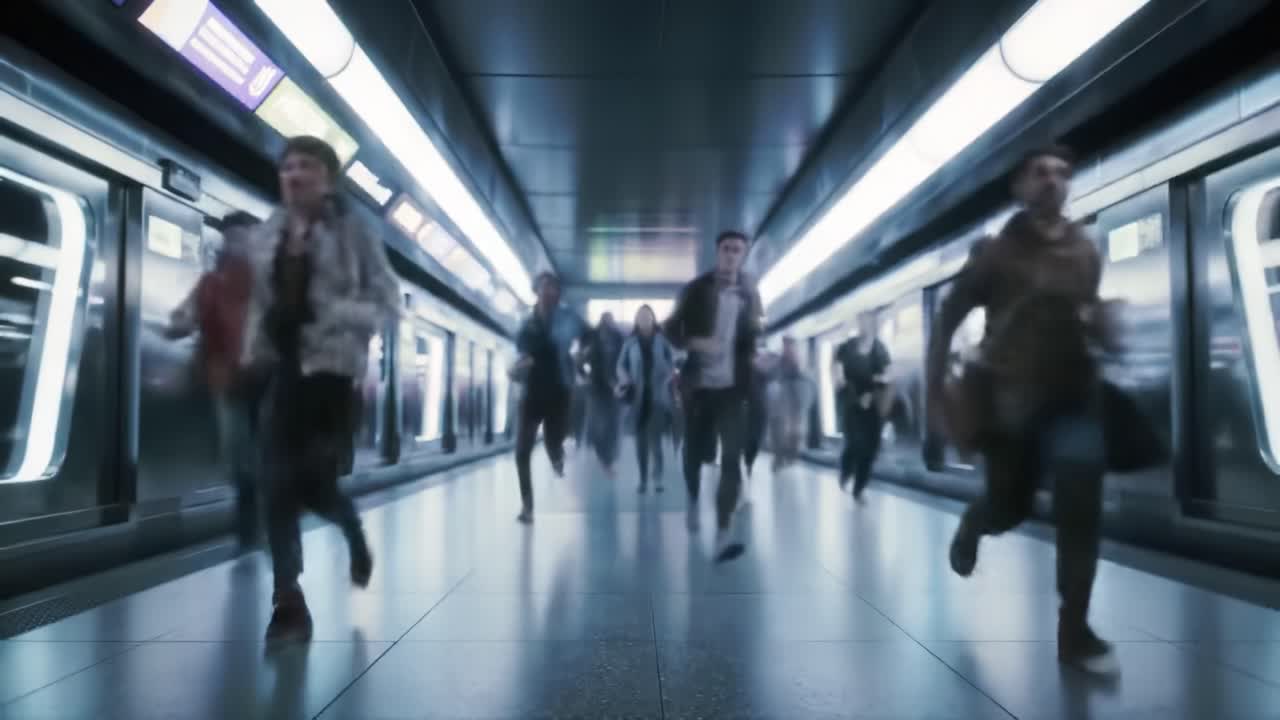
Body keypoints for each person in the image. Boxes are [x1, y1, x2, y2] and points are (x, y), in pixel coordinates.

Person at [925, 144, 1125, 674]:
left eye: (1062, 172)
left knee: (1080, 504)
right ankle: (976, 522)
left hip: (1075, 396)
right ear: (1019, 187)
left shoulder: (1085, 250)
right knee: (1009, 507)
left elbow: (1088, 312)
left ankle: (1074, 629)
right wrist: (934, 392)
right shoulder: (996, 254)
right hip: (1011, 401)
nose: (1052, 180)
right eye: (1040, 172)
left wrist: (1105, 329)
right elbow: (947, 319)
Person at [239, 136, 400, 644]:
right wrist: (250, 352)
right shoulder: (269, 232)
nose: (293, 174)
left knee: (315, 485)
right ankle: (288, 598)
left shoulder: (356, 233)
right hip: (283, 374)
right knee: (275, 486)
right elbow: (258, 304)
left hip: (332, 379)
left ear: (328, 179)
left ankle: (352, 533)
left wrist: (334, 314)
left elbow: (389, 302)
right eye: (287, 166)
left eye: (305, 165)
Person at [664, 230, 763, 563]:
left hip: (734, 389)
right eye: (726, 249)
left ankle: (722, 532)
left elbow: (753, 333)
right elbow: (670, 328)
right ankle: (693, 498)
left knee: (732, 457)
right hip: (699, 388)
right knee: (695, 451)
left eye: (737, 250)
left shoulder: (750, 293)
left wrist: (755, 357)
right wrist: (694, 342)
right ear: (717, 252)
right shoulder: (696, 289)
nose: (731, 255)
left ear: (743, 256)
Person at [167, 211, 261, 550]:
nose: (235, 245)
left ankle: (263, 526)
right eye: (230, 238)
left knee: (260, 456)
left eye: (242, 238)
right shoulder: (211, 284)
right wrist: (179, 322)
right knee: (240, 459)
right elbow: (184, 318)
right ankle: (252, 531)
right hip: (230, 384)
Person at [510, 272, 588, 523]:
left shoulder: (568, 318)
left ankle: (557, 457)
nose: (549, 292)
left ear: (558, 294)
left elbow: (589, 337)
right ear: (537, 291)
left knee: (553, 441)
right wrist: (518, 366)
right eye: (545, 287)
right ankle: (527, 507)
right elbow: (520, 352)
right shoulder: (527, 323)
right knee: (522, 451)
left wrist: (581, 356)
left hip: (559, 392)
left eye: (554, 288)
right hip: (532, 393)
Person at [616, 304, 676, 493]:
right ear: (636, 320)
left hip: (658, 397)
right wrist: (625, 378)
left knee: (655, 441)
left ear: (653, 319)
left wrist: (668, 375)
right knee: (641, 443)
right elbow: (620, 365)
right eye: (641, 316)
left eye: (647, 315)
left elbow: (672, 363)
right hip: (638, 399)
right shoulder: (630, 342)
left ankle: (657, 478)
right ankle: (642, 479)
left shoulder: (662, 341)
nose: (644, 318)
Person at [835, 310, 892, 501]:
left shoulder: (880, 349)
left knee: (871, 447)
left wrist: (879, 383)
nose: (865, 326)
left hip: (872, 404)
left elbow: (888, 373)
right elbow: (838, 373)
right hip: (851, 402)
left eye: (868, 322)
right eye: (862, 322)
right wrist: (844, 386)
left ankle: (859, 487)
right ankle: (845, 471)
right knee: (854, 443)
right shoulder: (847, 347)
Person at [766, 336, 814, 472]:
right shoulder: (778, 362)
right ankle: (779, 458)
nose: (787, 348)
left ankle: (788, 456)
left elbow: (806, 384)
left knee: (794, 432)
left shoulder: (800, 364)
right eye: (786, 345)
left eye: (790, 345)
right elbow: (772, 378)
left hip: (793, 405)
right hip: (781, 404)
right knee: (779, 431)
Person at [584, 312, 624, 475]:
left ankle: (607, 459)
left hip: (614, 389)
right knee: (598, 425)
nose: (607, 325)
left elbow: (625, 362)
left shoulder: (619, 339)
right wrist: (586, 376)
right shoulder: (592, 339)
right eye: (605, 322)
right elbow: (582, 360)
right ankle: (602, 453)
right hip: (597, 388)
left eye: (610, 321)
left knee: (612, 425)